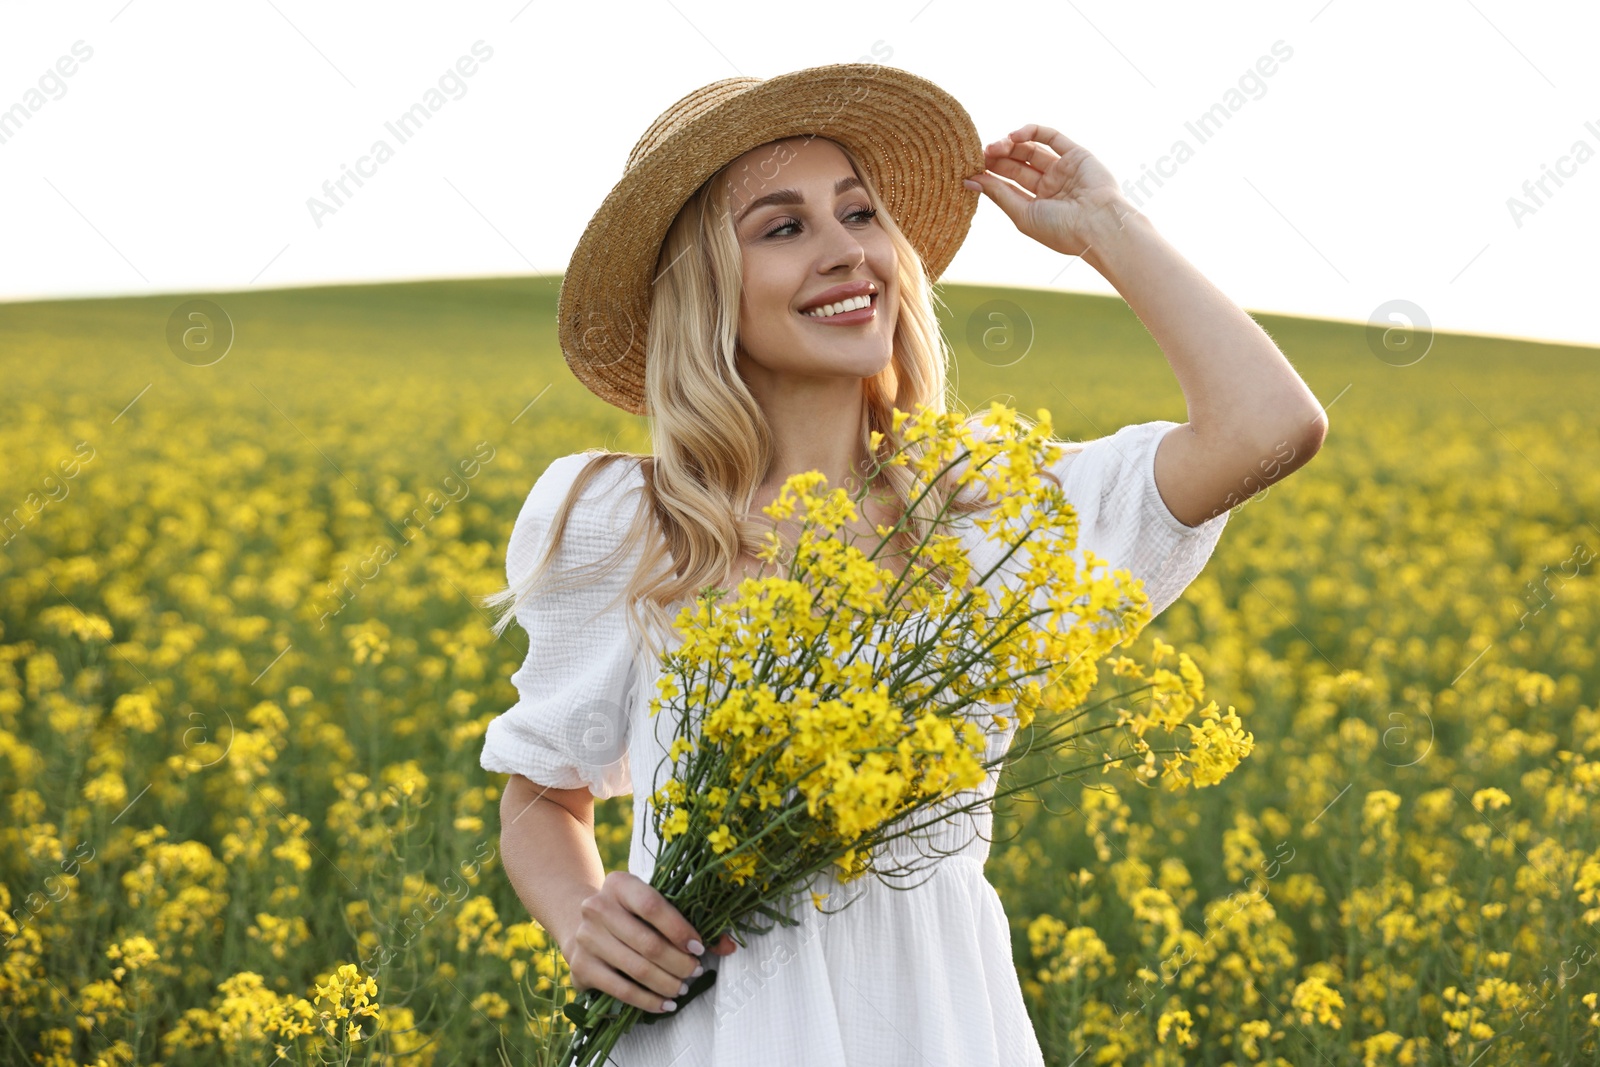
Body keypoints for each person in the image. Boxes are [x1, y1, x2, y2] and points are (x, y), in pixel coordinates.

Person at [479, 62, 1326, 1066]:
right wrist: (583, 912)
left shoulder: (992, 512)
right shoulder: (629, 518)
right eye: (784, 228)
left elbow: (1270, 426)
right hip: (713, 1027)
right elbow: (543, 790)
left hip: (934, 1021)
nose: (848, 253)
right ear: (706, 286)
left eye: (860, 214)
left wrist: (1106, 226)